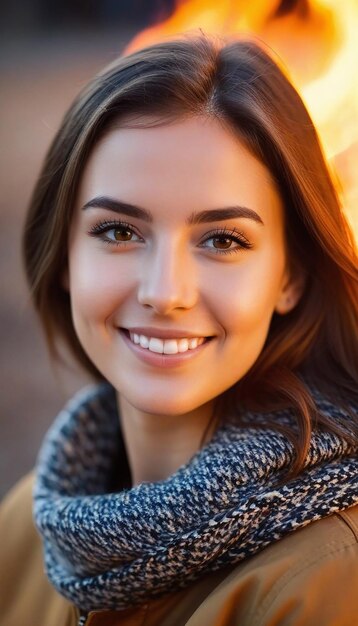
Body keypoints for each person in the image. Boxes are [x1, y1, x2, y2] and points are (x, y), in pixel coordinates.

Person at [0, 32, 357, 626]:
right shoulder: (24, 527)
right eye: (118, 231)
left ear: (290, 276)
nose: (165, 292)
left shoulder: (330, 577)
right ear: (63, 257)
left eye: (223, 240)